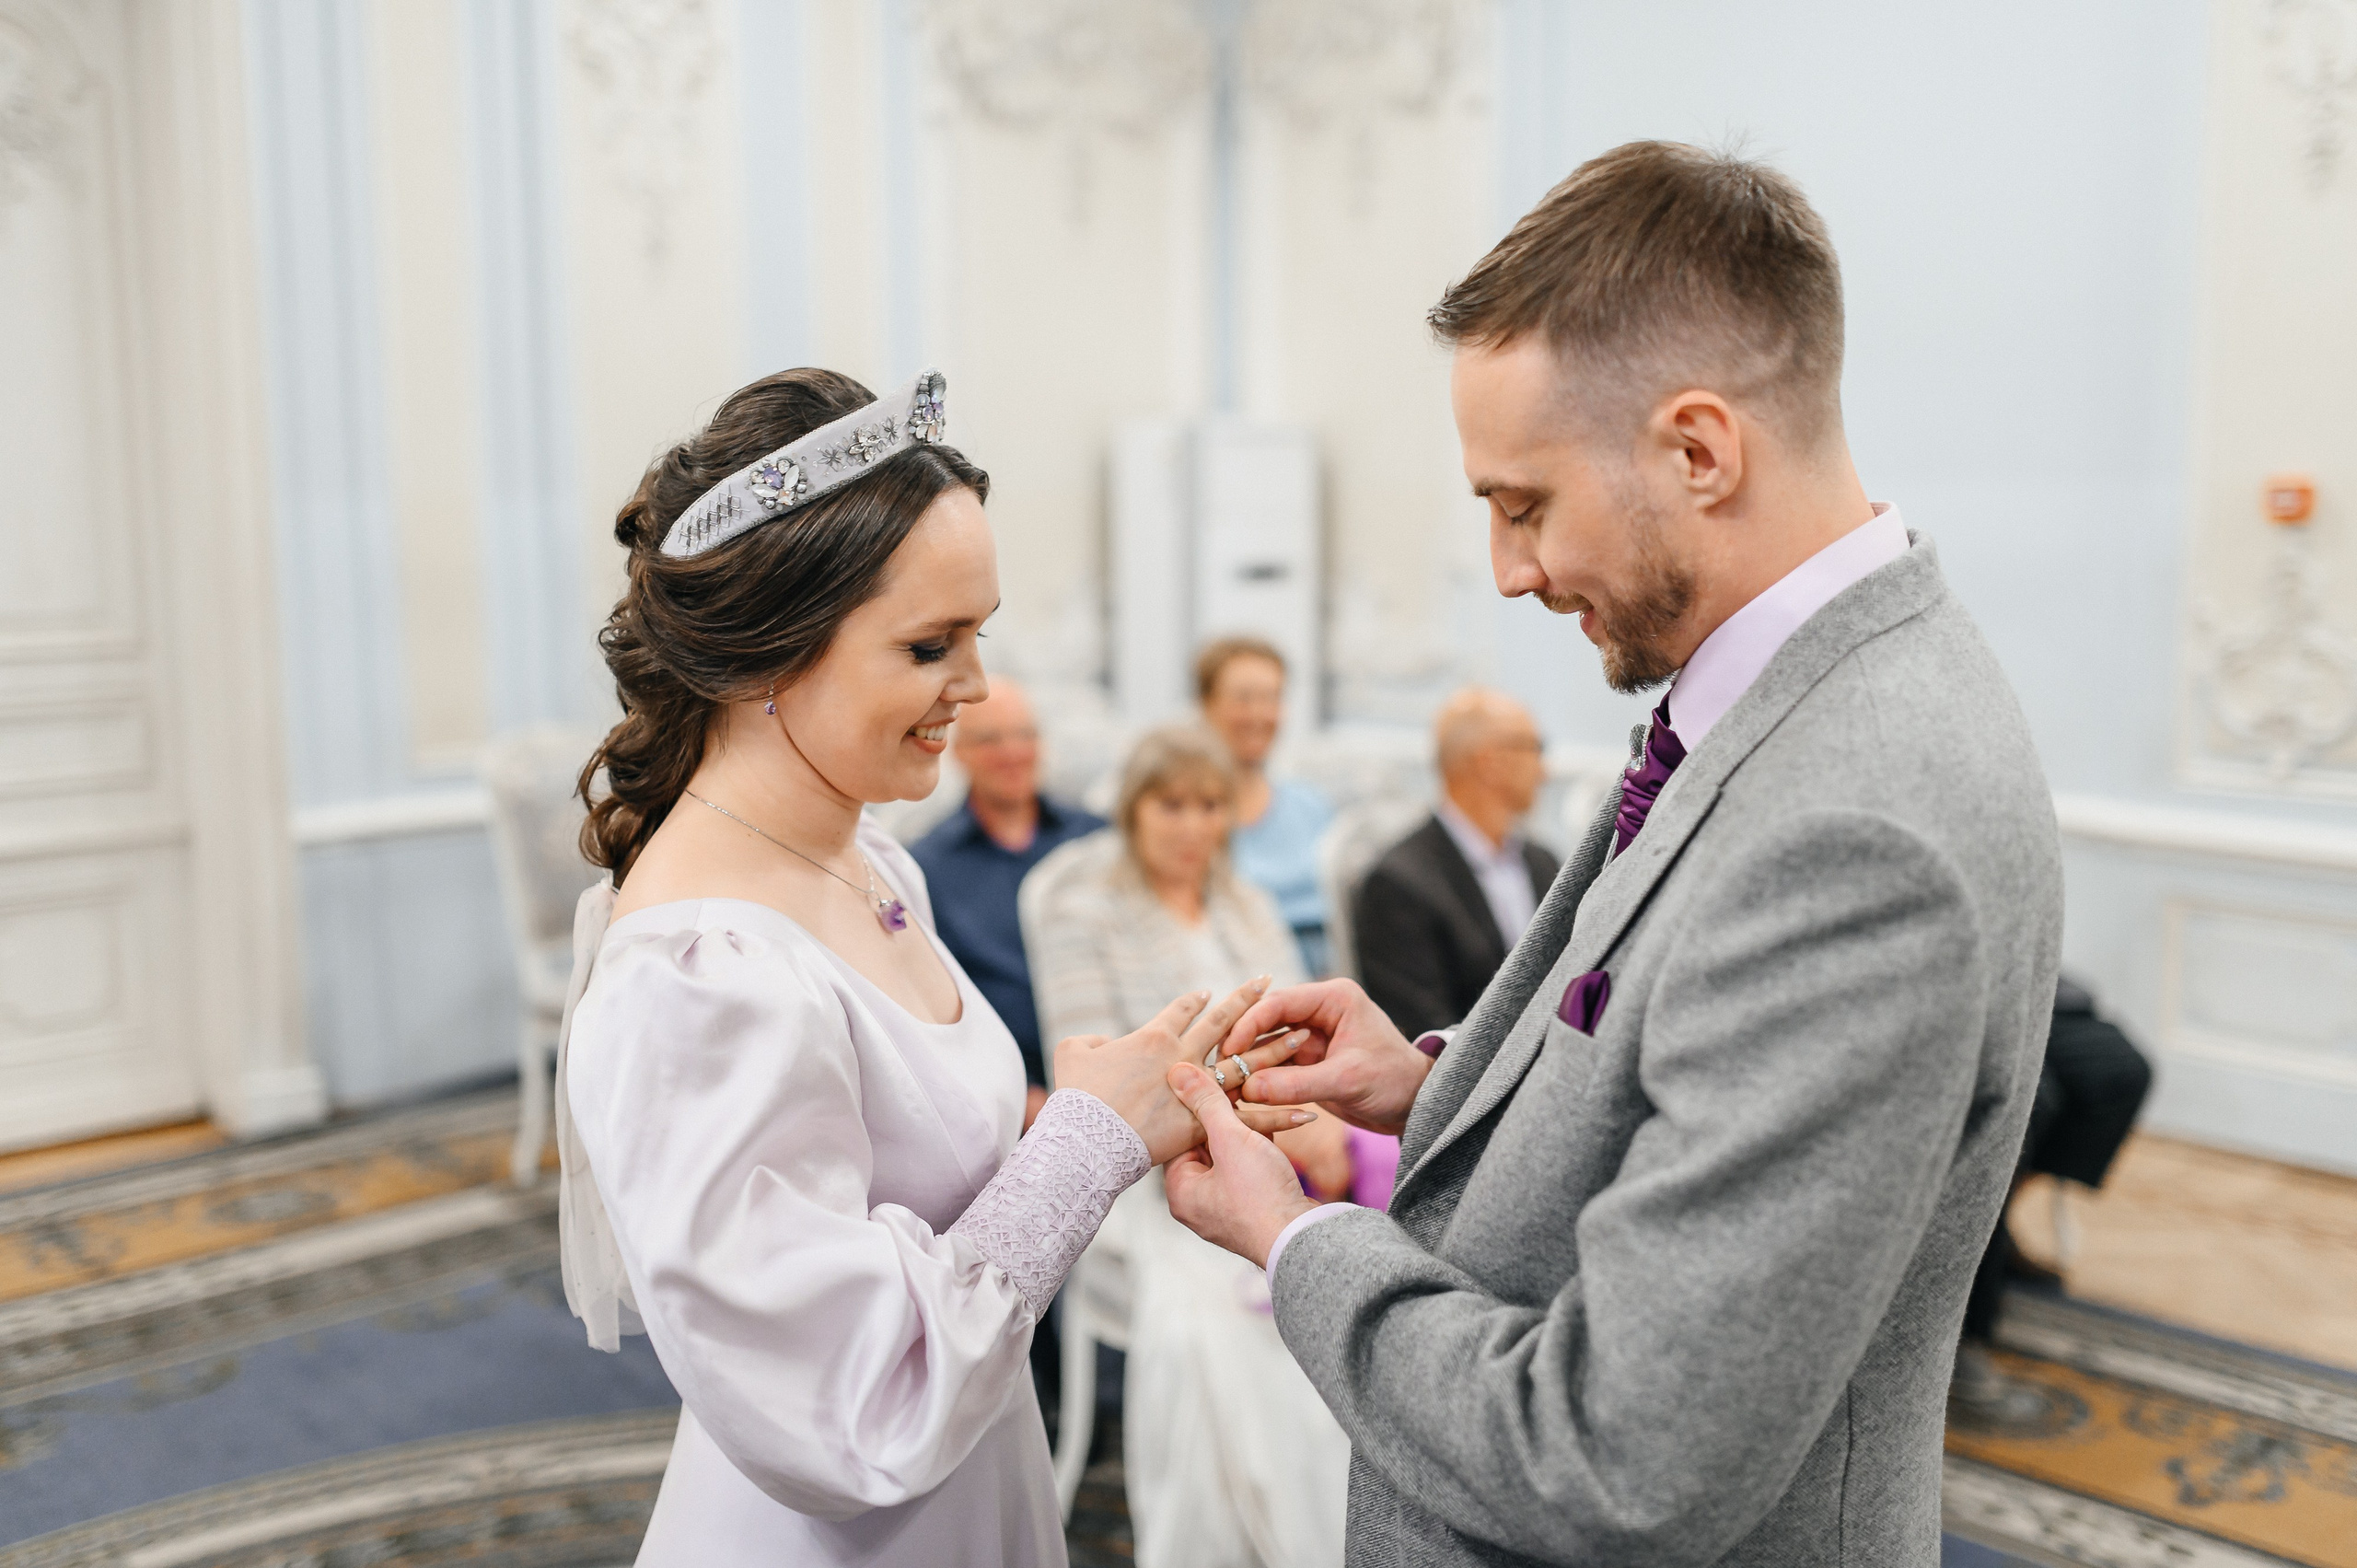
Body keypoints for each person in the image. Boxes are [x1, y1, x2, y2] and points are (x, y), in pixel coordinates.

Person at [1163, 141, 2064, 1568]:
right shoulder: (1790, 687)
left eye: (1524, 503)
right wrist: (1432, 1079)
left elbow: (1616, 1458)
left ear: (1699, 451)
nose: (1513, 569)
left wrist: (1295, 1239)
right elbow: (1672, 1044)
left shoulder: (1856, 833)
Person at [550, 367, 1307, 1566]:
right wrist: (1089, 1141)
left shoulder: (869, 860)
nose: (978, 685)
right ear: (766, 658)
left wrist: (1131, 1091)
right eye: (928, 643)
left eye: (979, 633)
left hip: (968, 1467)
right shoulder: (696, 978)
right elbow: (847, 1400)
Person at [1023, 725, 1352, 1568]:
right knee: (1215, 1325)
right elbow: (1088, 1067)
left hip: (1273, 1152)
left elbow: (1301, 1041)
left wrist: (1308, 1124)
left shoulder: (1249, 903)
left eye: (1210, 805)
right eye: (1171, 804)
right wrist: (1248, 1104)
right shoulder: (1082, 906)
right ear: (1135, 812)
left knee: (1337, 1282)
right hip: (1143, 1177)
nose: (1192, 825)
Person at [1952, 976, 2153, 1425]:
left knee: (2118, 1070)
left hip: (2010, 984)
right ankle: (1960, 1333)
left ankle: (1997, 1223)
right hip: (1939, 990)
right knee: (2023, 1106)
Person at [910, 680, 1105, 1132]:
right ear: (956, 751)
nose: (1012, 752)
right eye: (990, 740)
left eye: (1024, 736)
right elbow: (932, 1007)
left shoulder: (1097, 840)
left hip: (1115, 1064)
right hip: (1007, 1104)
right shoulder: (926, 867)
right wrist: (1016, 1095)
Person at [1353, 687, 1561, 1040]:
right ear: (1490, 761)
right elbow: (1425, 1032)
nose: (1546, 771)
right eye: (1535, 748)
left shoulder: (1543, 863)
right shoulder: (1398, 884)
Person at [1197, 636, 1334, 975]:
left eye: (1271, 698)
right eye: (1243, 699)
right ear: (1206, 705)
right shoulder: (1187, 821)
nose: (1259, 714)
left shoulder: (1313, 808)